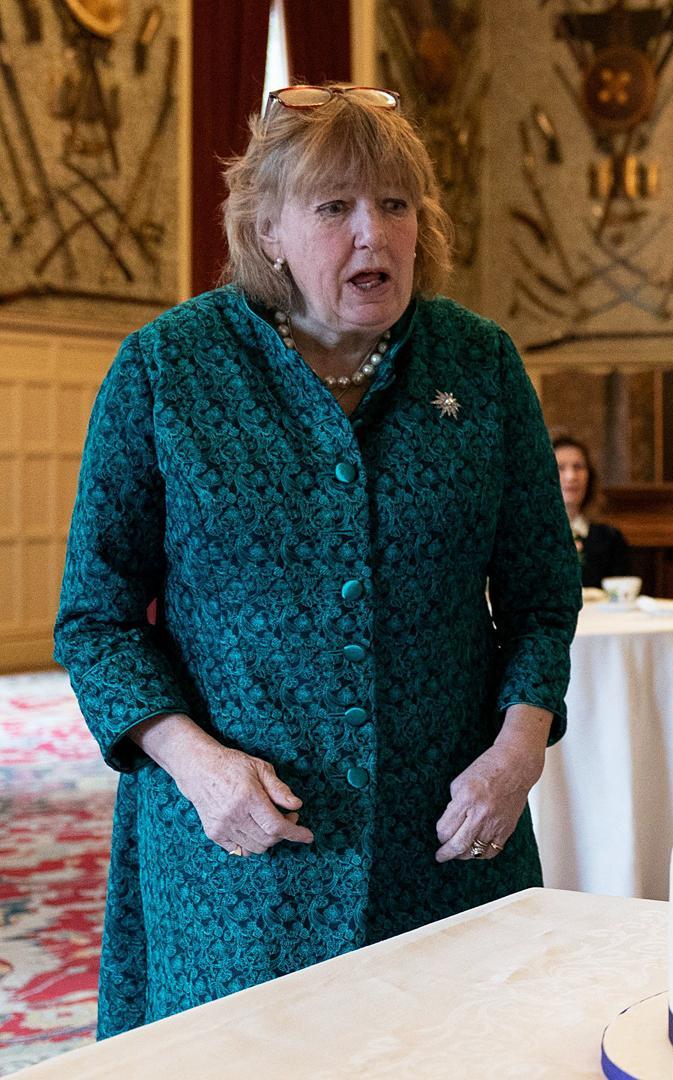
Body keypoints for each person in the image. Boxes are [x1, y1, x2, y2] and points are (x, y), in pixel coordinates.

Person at [53, 84, 579, 1035]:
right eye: (335, 208)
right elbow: (95, 619)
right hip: (237, 866)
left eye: (395, 204)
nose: (371, 234)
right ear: (268, 234)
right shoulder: (167, 370)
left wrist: (517, 752)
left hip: (447, 846)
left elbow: (543, 597)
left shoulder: (482, 365)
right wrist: (198, 766)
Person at [553, 434, 635, 587]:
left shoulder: (611, 538)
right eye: (560, 467)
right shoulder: (530, 539)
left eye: (578, 467)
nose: (571, 477)